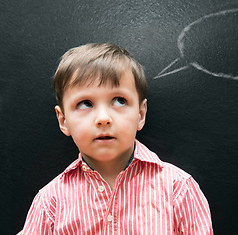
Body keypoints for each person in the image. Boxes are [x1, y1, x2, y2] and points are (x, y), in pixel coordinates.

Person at [19, 43, 213, 234]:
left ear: (141, 114)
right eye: (85, 103)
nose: (103, 118)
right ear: (63, 120)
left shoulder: (178, 189)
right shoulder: (50, 202)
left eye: (119, 101)